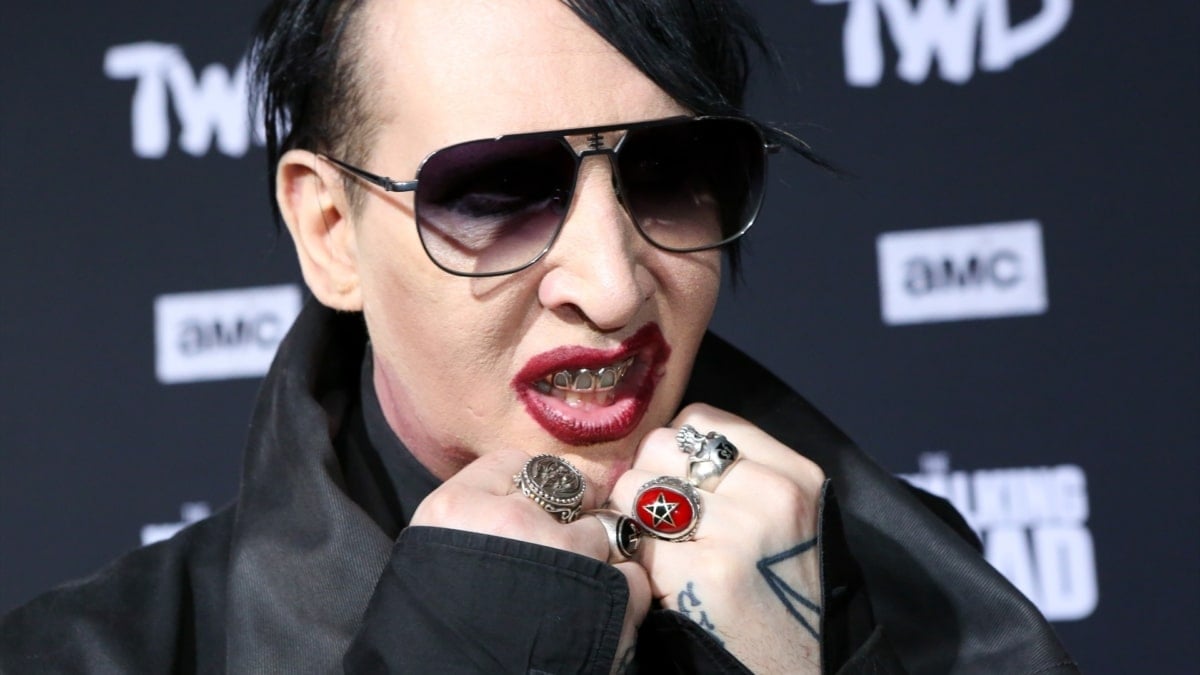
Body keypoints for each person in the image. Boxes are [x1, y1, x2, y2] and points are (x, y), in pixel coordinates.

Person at [1, 1, 1080, 673]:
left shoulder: (920, 596)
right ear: (330, 232)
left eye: (668, 173)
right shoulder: (90, 655)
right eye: (498, 191)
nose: (611, 287)